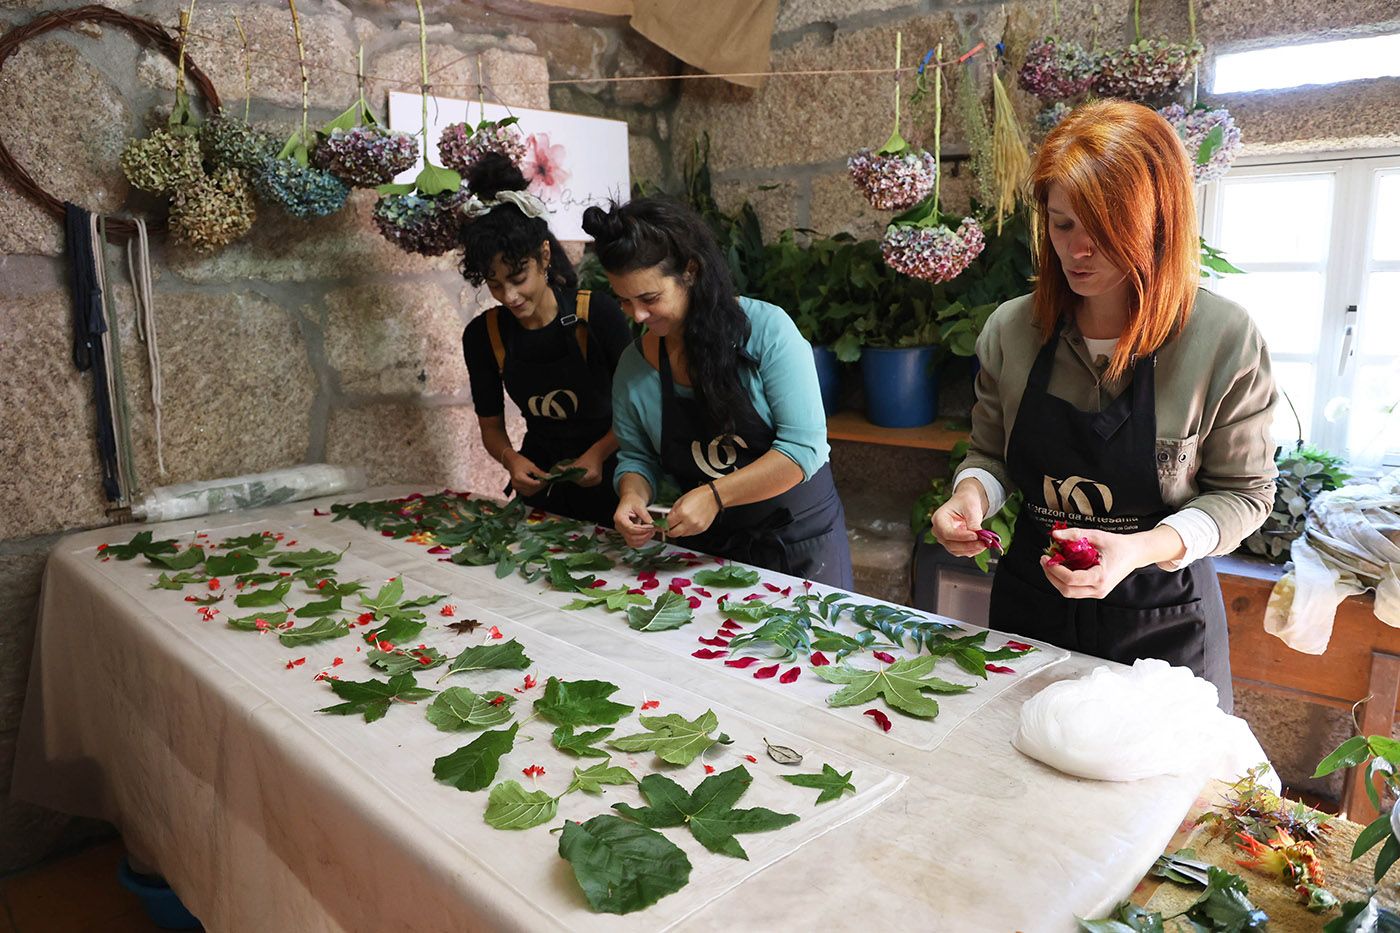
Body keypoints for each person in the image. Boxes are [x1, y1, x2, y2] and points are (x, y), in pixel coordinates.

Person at [929, 100, 1278, 712]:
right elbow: (991, 455)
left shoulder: (1221, 339)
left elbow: (1245, 495)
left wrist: (1138, 548)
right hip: (1032, 612)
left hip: (1162, 625)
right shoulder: (1013, 332)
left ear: (1157, 222)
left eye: (1103, 228)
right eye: (1062, 225)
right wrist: (971, 498)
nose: (1077, 251)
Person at [583, 197, 854, 588]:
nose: (638, 316)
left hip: (800, 542)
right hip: (708, 547)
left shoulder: (767, 332)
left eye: (650, 298)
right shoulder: (634, 366)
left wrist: (714, 495)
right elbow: (637, 456)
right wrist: (632, 495)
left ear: (690, 271)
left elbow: (803, 450)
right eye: (624, 300)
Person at [460, 154, 631, 525]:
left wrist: (599, 454)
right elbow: (491, 428)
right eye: (494, 283)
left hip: (614, 483)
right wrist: (512, 460)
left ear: (544, 256)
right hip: (539, 488)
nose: (509, 296)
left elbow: (638, 407)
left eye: (518, 278)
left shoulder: (597, 314)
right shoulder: (483, 336)